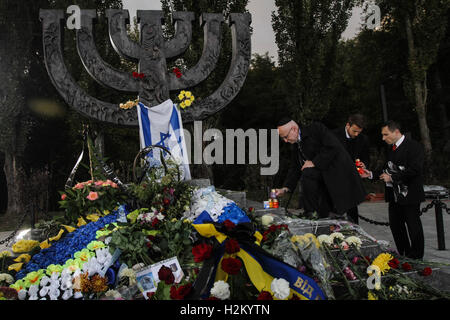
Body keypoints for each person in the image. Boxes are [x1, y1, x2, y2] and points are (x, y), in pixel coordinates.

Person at [275, 117, 366, 219]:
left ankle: (312, 212)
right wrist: (285, 188)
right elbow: (295, 167)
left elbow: (333, 146)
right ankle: (311, 213)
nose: (285, 140)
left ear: (294, 129)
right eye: (283, 138)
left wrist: (314, 162)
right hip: (324, 188)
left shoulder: (316, 129)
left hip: (341, 179)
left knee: (350, 219)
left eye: (286, 137)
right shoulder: (296, 143)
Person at [361, 120, 425, 260]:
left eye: (386, 134)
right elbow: (386, 169)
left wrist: (393, 177)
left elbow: (415, 169)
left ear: (396, 132)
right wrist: (371, 174)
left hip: (410, 194)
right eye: (382, 135)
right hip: (394, 196)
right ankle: (403, 254)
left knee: (413, 227)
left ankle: (416, 257)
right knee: (396, 226)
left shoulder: (414, 146)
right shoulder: (391, 148)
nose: (383, 138)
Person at [332, 113, 370, 224]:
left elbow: (366, 158)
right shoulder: (333, 136)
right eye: (355, 131)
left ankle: (354, 237)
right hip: (336, 180)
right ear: (348, 125)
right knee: (334, 214)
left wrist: (364, 165)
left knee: (353, 214)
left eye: (359, 132)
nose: (357, 134)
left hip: (353, 181)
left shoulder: (363, 139)